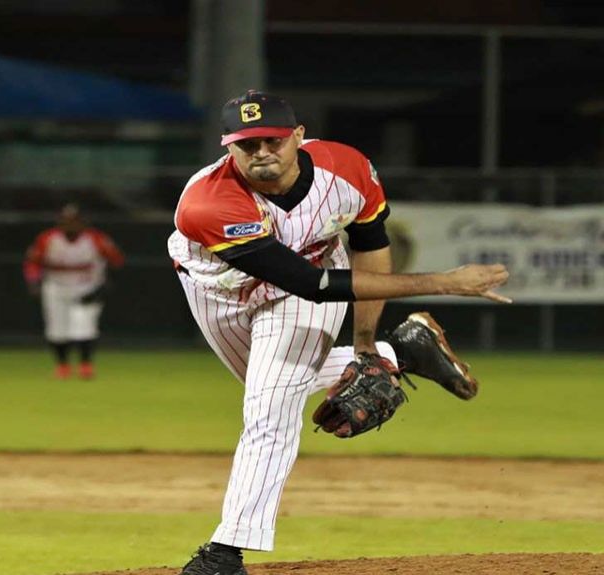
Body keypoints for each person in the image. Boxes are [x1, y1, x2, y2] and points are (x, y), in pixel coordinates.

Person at [167, 91, 510, 575]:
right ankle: (406, 349)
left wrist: (365, 345)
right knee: (268, 387)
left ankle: (224, 554)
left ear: (298, 137)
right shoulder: (209, 202)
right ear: (229, 149)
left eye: (273, 139)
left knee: (270, 407)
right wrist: (444, 282)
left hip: (305, 284)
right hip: (220, 294)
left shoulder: (345, 170)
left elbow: (370, 245)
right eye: (247, 145)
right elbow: (312, 284)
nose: (262, 151)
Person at [24, 204, 125, 379]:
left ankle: (86, 365)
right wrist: (33, 281)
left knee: (84, 327)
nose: (70, 225)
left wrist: (105, 282)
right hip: (56, 287)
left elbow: (116, 260)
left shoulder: (96, 239)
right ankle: (62, 366)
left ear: (83, 223)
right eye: (66, 221)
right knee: (57, 329)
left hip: (86, 288)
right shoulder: (47, 238)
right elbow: (33, 262)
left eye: (74, 221)